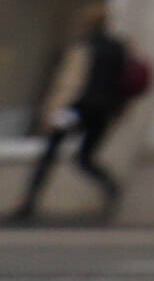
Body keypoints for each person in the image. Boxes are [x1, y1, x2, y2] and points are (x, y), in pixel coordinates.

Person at [14, 14, 141, 223]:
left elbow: (71, 82)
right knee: (85, 157)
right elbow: (121, 82)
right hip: (101, 111)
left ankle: (28, 202)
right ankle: (112, 188)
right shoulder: (117, 47)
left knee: (50, 153)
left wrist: (53, 112)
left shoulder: (83, 46)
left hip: (74, 109)